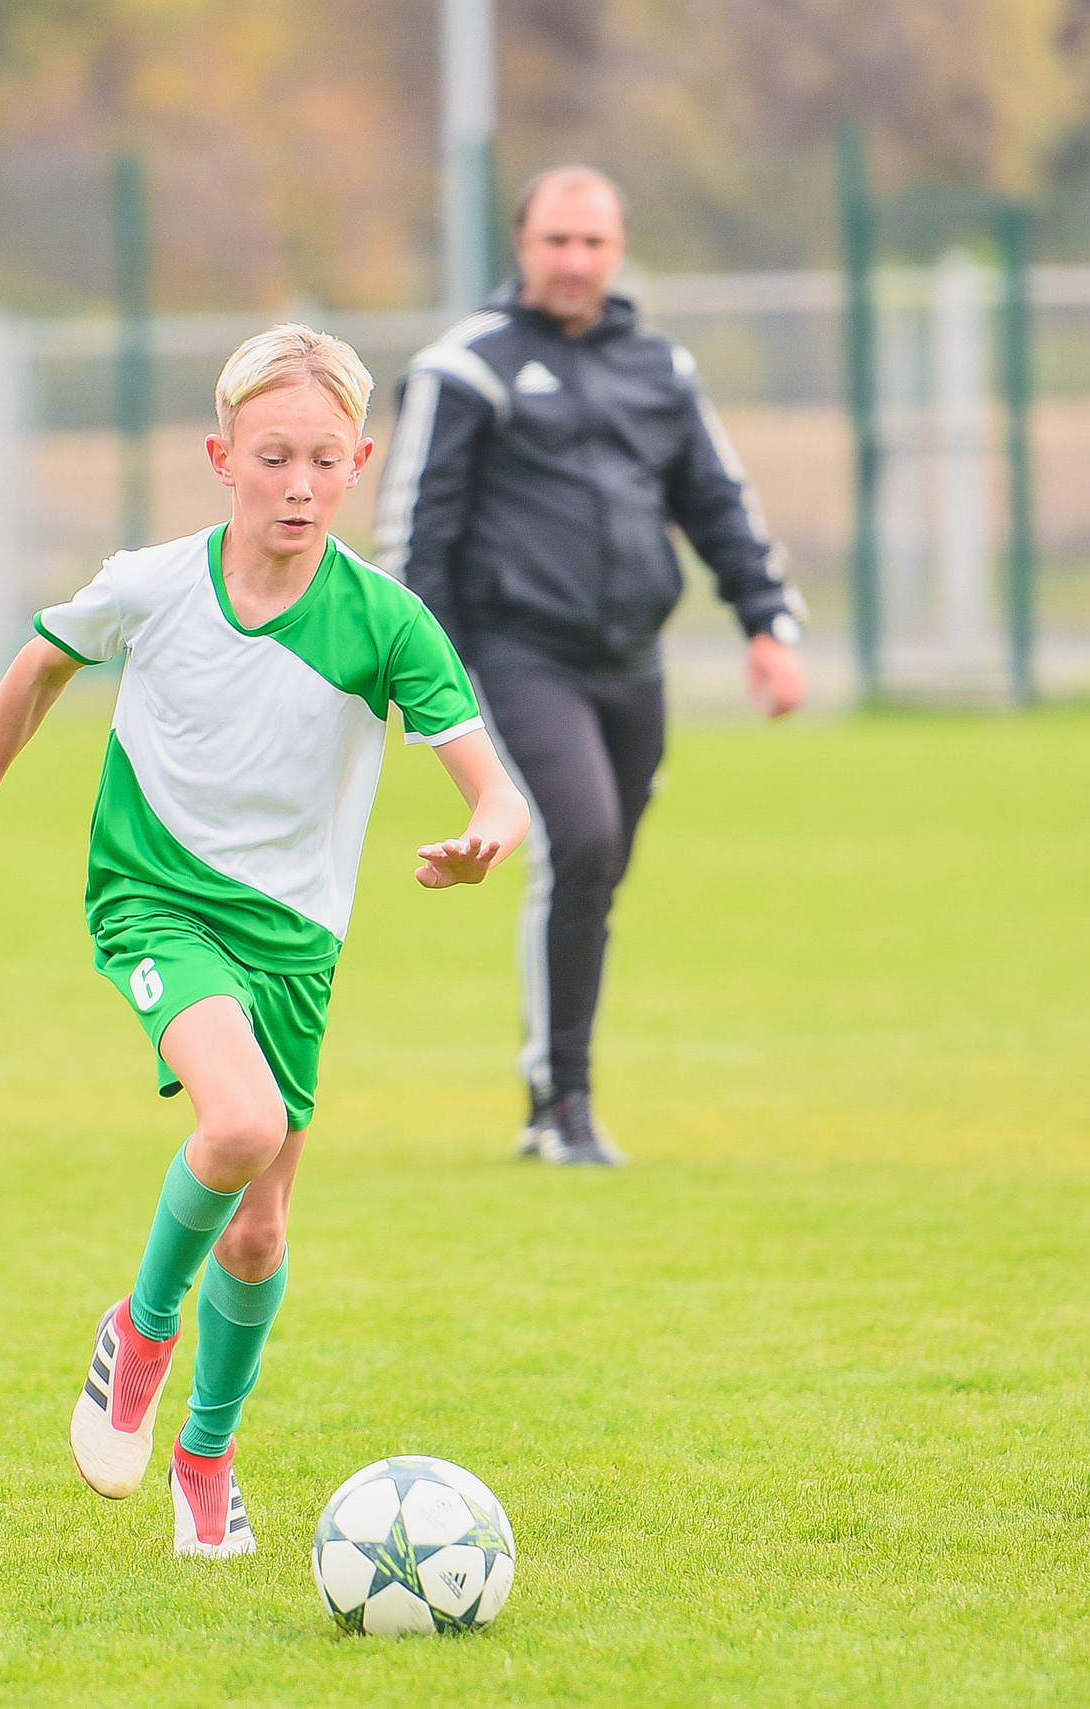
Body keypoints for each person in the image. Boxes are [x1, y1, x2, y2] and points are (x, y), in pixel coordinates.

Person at [0, 325, 529, 1556]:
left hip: (294, 945)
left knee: (258, 1230)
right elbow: (37, 669)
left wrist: (486, 834)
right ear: (221, 458)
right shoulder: (153, 584)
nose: (298, 484)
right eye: (272, 456)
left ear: (360, 463)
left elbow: (493, 785)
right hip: (156, 898)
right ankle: (139, 1335)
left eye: (324, 460)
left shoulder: (387, 621)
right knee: (236, 1123)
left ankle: (206, 1453)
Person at [374, 163, 808, 1167]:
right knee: (582, 837)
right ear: (521, 245)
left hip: (631, 659)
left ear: (619, 250)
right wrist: (422, 673)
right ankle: (557, 1101)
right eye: (556, 241)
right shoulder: (464, 368)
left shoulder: (660, 366)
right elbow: (415, 533)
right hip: (516, 654)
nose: (574, 260)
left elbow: (717, 500)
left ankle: (562, 1092)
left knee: (600, 864)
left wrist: (768, 624)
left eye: (593, 242)